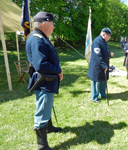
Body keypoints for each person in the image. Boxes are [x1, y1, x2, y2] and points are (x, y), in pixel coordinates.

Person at [26, 11, 63, 150]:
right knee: (42, 110)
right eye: (52, 25)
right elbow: (41, 64)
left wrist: (57, 70)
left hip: (47, 79)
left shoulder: (41, 37)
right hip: (44, 81)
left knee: (47, 106)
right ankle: (42, 146)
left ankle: (49, 127)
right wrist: (58, 70)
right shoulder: (37, 39)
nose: (53, 28)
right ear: (44, 24)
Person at [88, 27, 114, 103]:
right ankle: (94, 97)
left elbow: (104, 52)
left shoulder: (104, 41)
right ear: (103, 34)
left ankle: (102, 94)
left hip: (103, 65)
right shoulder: (97, 41)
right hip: (97, 66)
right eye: (108, 36)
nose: (109, 37)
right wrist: (104, 65)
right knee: (96, 82)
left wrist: (109, 54)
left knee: (103, 80)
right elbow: (97, 56)